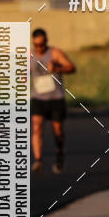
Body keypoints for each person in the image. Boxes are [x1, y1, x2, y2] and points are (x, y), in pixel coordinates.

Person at [30, 28, 75, 173]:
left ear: (46, 42)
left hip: (55, 98)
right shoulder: (29, 55)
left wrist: (57, 67)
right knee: (36, 127)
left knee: (58, 131)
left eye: (42, 45)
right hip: (38, 98)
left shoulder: (55, 53)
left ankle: (59, 153)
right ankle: (37, 160)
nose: (39, 48)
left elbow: (71, 67)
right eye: (37, 45)